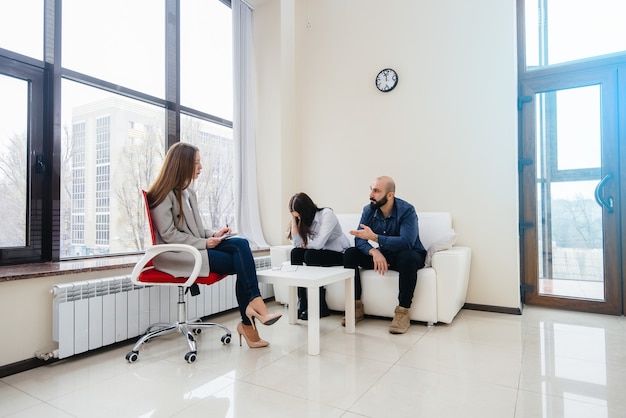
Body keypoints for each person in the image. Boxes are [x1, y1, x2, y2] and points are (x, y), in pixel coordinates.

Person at [147, 142, 281, 348]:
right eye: (196, 163)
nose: (200, 167)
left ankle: (253, 311)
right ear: (182, 164)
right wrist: (204, 242)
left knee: (241, 244)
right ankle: (252, 315)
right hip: (177, 254)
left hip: (194, 247)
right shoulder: (162, 194)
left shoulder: (187, 192)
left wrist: (214, 235)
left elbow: (197, 229)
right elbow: (169, 235)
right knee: (240, 260)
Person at [343, 176, 426, 334]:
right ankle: (355, 307)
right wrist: (374, 251)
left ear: (390, 195)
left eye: (376, 191)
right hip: (385, 255)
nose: (371, 194)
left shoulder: (407, 210)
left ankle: (402, 313)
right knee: (350, 254)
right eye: (371, 189)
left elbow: (407, 242)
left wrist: (375, 238)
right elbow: (359, 239)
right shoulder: (369, 210)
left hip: (410, 255)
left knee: (407, 257)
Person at [287, 192, 351, 320]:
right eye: (296, 216)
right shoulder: (303, 220)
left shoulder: (327, 215)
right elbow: (296, 244)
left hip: (339, 253)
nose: (298, 218)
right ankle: (302, 301)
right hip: (319, 252)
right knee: (295, 253)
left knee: (311, 255)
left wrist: (303, 244)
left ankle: (320, 305)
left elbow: (318, 244)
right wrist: (294, 221)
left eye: (298, 215)